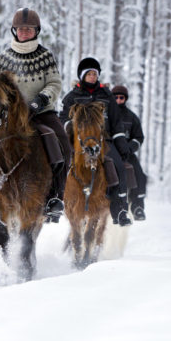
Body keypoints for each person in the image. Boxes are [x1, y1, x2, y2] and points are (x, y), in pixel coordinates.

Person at [0, 8, 72, 223]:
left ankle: (54, 199)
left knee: (63, 146)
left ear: (36, 31)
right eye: (20, 29)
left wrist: (41, 99)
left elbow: (55, 83)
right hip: (10, 114)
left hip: (41, 112)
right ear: (14, 31)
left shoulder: (45, 55)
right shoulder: (6, 56)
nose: (24, 33)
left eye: (28, 29)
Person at [60, 57, 132, 227]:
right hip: (77, 140)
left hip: (103, 140)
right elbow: (62, 117)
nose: (92, 77)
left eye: (95, 74)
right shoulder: (72, 96)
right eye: (89, 74)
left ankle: (120, 209)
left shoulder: (106, 95)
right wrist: (70, 126)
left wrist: (120, 141)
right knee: (61, 162)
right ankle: (54, 200)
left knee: (118, 167)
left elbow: (116, 120)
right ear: (82, 76)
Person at [111, 85, 147, 220]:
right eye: (116, 97)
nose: (118, 100)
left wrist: (130, 147)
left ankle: (137, 206)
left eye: (121, 97)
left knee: (140, 174)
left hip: (127, 152)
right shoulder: (106, 114)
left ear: (125, 99)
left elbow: (139, 137)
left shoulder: (131, 117)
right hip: (111, 150)